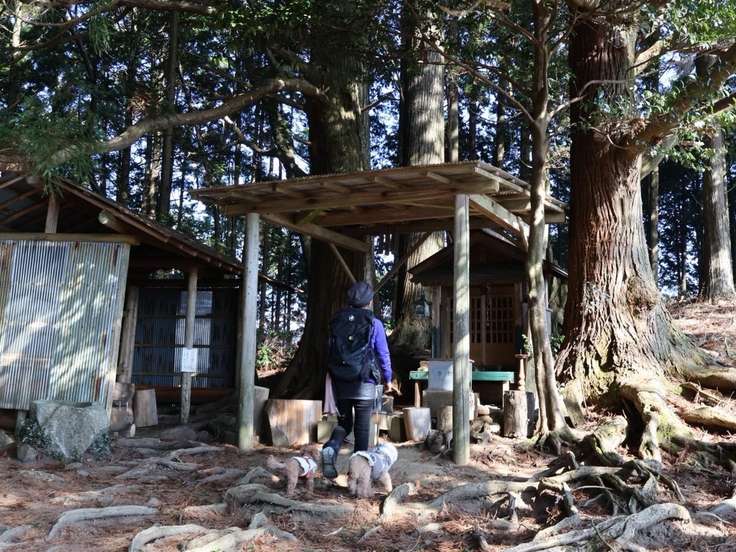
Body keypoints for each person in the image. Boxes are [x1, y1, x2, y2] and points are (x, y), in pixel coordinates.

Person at [321, 281, 392, 479]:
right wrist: (388, 378)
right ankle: (358, 475)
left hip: (340, 379)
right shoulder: (374, 323)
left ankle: (332, 447)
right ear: (369, 302)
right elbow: (383, 354)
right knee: (362, 427)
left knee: (344, 423)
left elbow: (330, 349)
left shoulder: (337, 320)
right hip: (364, 380)